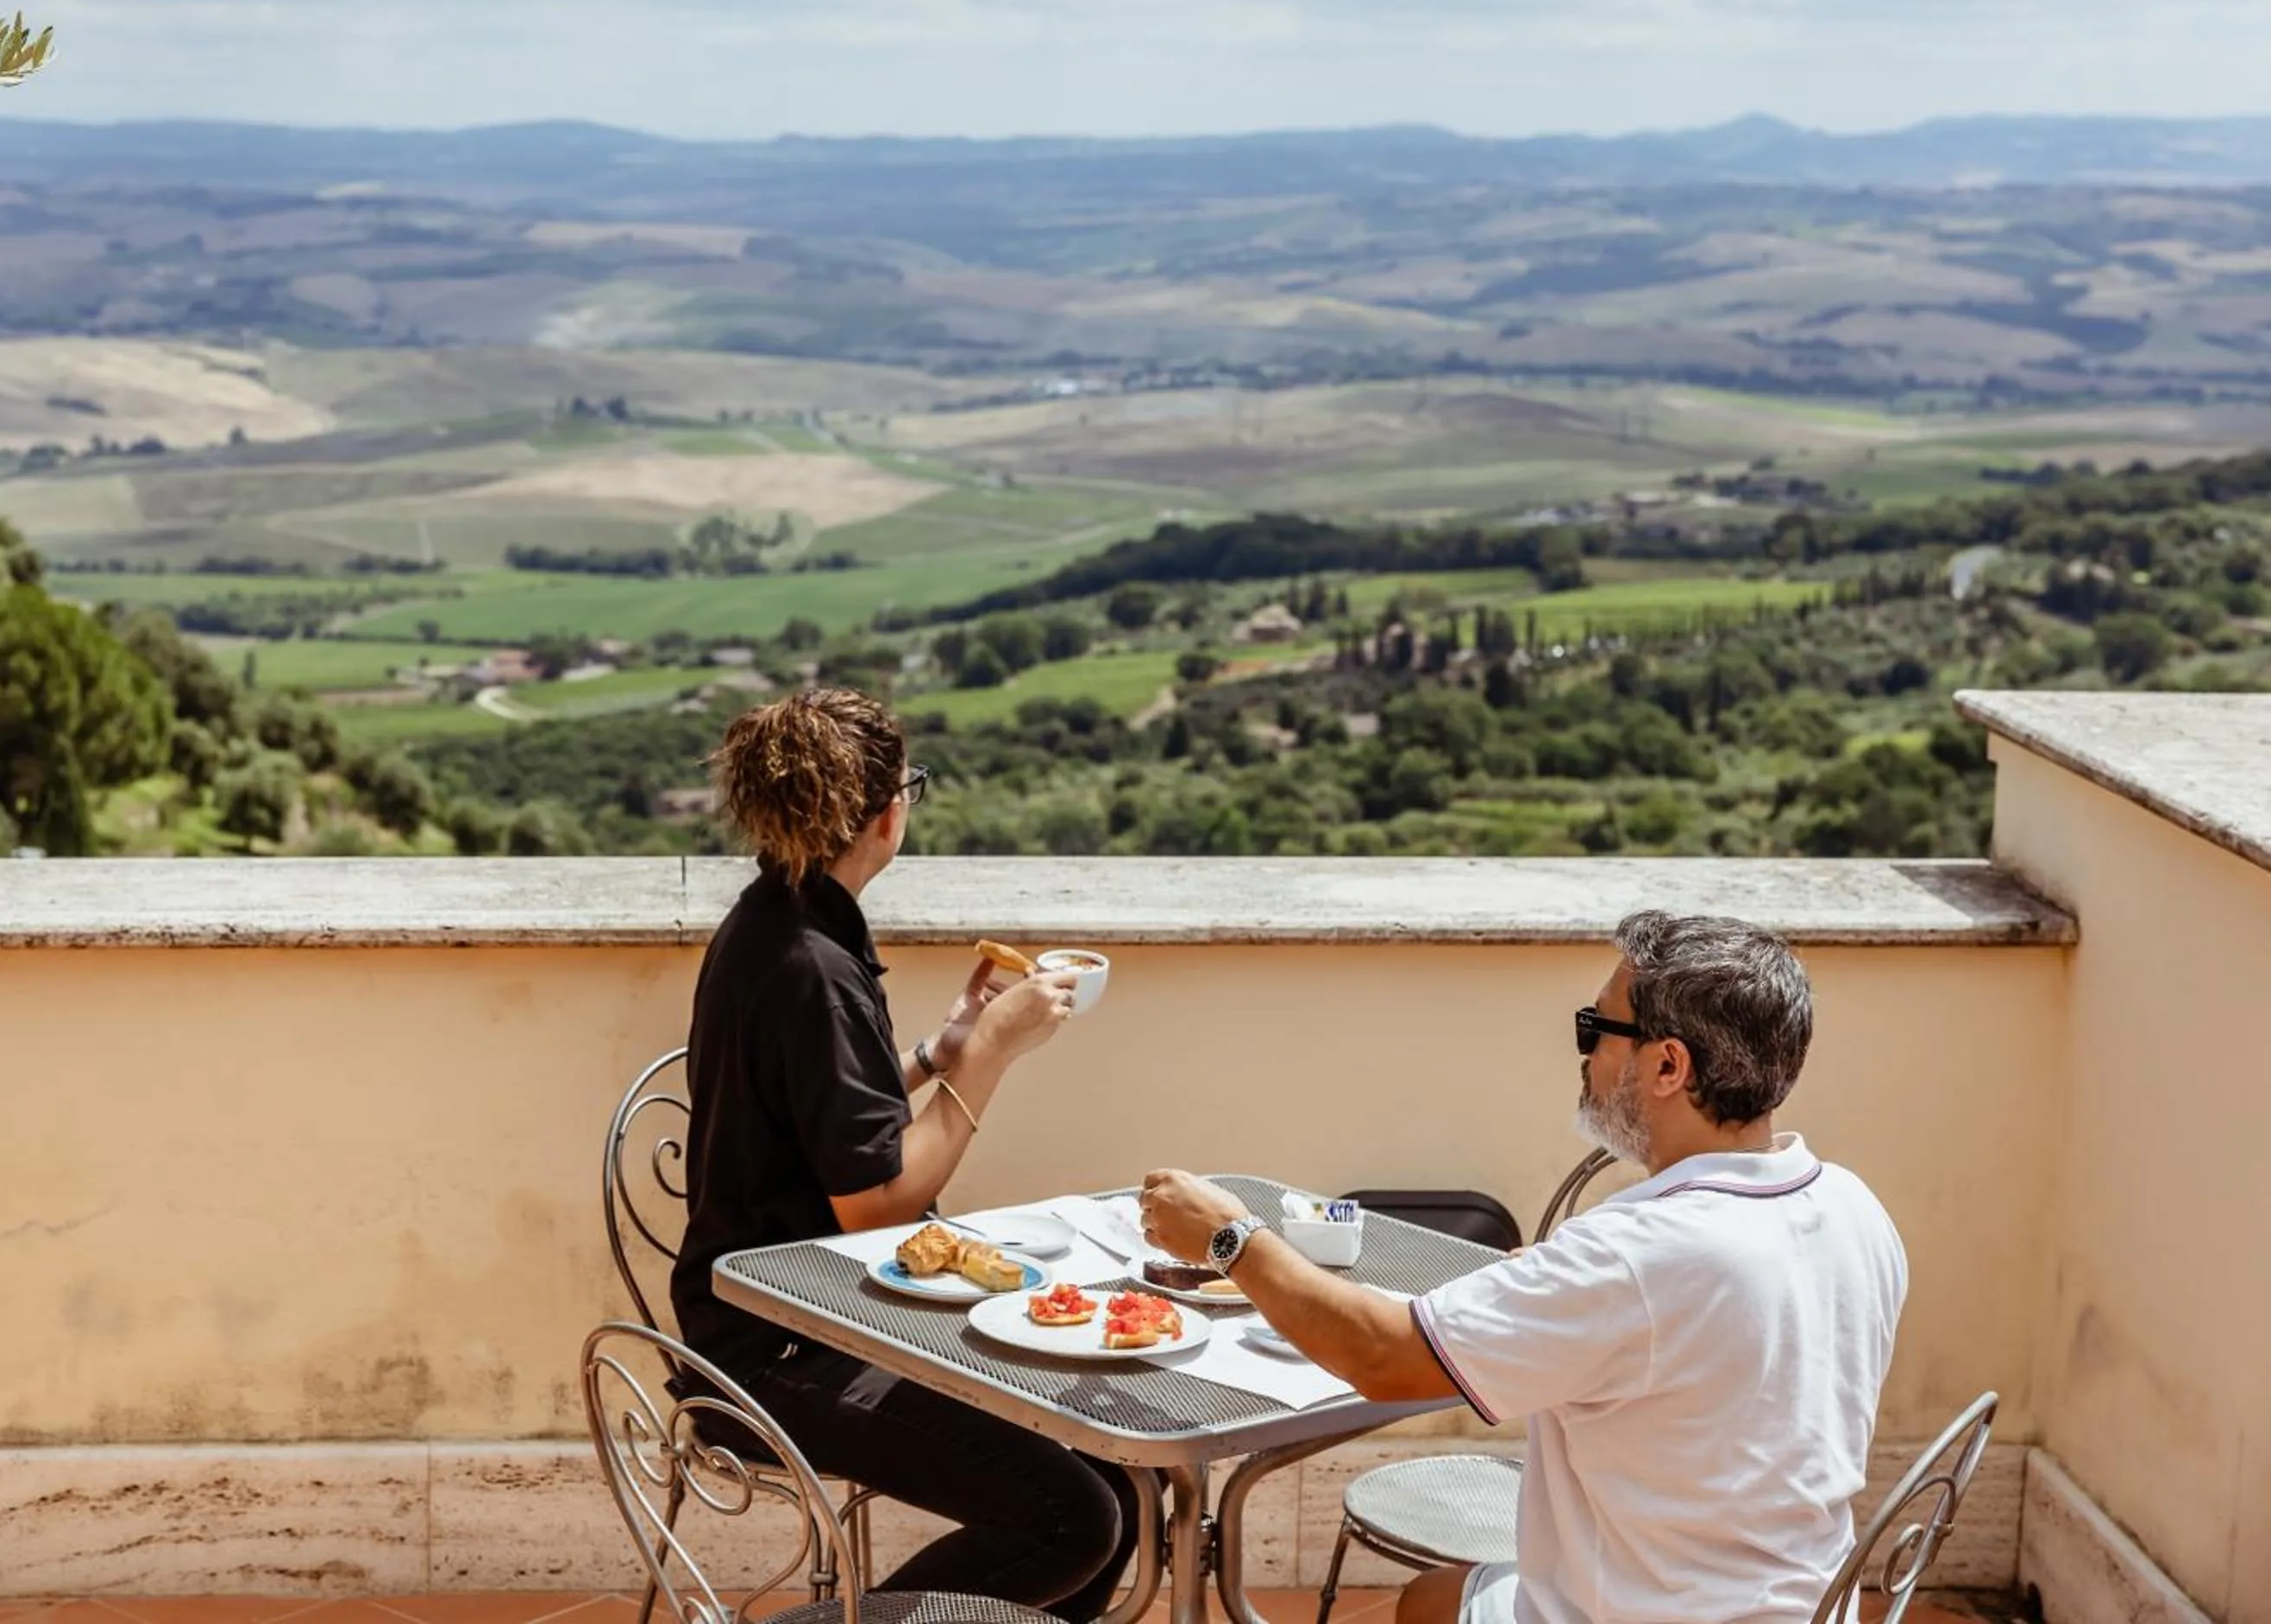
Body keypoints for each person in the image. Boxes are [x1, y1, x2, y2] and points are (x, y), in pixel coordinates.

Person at [1140, 911, 1908, 1624]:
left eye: (1596, 1029)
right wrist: (1556, 1289)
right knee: (1432, 1601)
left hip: (1647, 1612)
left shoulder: (1638, 1255)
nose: (1584, 1053)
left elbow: (1383, 1358)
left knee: (1421, 1609)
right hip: (1802, 1603)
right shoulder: (1852, 1205)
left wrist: (1229, 1238)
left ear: (1669, 1065)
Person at [669, 687, 1138, 1622]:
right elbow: (878, 1203)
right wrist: (994, 1057)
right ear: (887, 812)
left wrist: (944, 1048)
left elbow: (829, 1123)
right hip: (783, 1347)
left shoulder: (777, 919)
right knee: (1073, 1516)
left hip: (787, 1309)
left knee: (1109, 1477)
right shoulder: (815, 968)